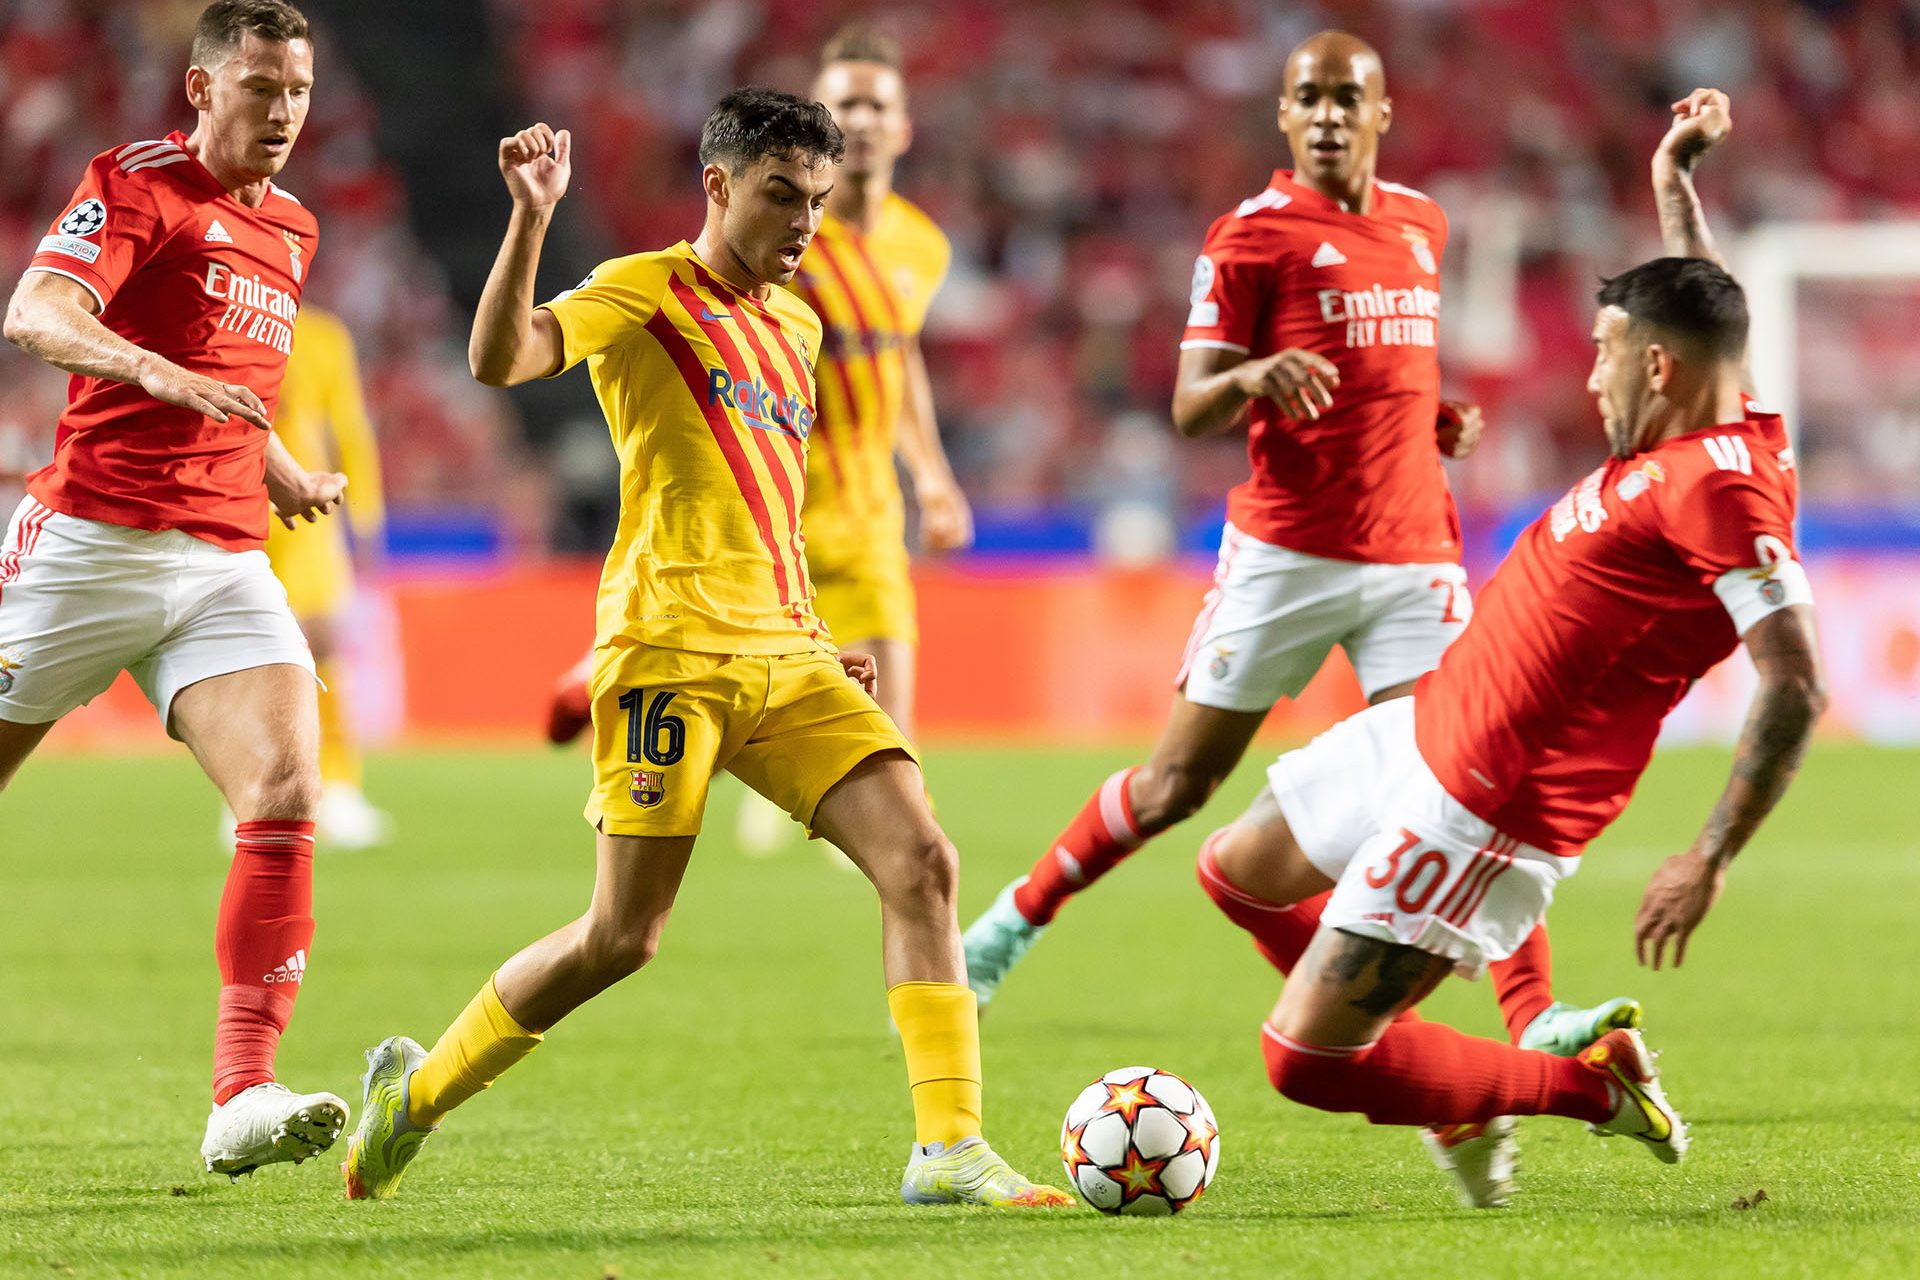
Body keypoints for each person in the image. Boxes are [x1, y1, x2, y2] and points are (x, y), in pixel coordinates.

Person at [341, 90, 1071, 1209]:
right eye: (783, 194)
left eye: (819, 202)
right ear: (720, 185)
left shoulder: (799, 328)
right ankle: (417, 1090)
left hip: (790, 648)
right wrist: (531, 220)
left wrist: (820, 634)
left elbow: (768, 500)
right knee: (622, 937)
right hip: (668, 652)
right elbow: (503, 358)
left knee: (923, 861)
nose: (804, 223)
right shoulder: (645, 289)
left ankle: (949, 1146)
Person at [961, 24, 1632, 1111]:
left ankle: (1531, 1015)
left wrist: (1437, 417)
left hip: (1415, 550)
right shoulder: (1252, 237)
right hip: (1287, 552)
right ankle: (1012, 920)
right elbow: (1187, 406)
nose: (1326, 114)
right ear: (1284, 117)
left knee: (1474, 775)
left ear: (1382, 114)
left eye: (1344, 97)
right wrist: (1256, 375)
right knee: (1180, 782)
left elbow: (1395, 365)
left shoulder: (1423, 222)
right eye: (1307, 97)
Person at [1195, 89, 1824, 1206]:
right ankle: (1460, 1081)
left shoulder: (1720, 485)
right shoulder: (1732, 418)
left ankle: (1583, 1089)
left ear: (1662, 370)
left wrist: (1711, 854)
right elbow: (1705, 307)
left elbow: (1796, 674)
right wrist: (1673, 183)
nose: (1593, 375)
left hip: (1491, 800)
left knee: (1303, 1057)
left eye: (1606, 354)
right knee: (1237, 873)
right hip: (1432, 726)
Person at [0, 0, 351, 1177]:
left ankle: (243, 1090)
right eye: (259, 86)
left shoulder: (294, 229)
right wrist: (150, 364)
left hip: (221, 557)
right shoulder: (137, 184)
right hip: (87, 544)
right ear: (201, 91)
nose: (283, 110)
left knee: (288, 782)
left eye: (297, 89)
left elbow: (241, 379)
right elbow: (36, 310)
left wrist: (289, 470)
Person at [546, 25, 972, 863]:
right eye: (846, 102)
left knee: (897, 745)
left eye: (879, 103)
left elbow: (900, 354)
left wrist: (932, 474)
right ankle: (607, 673)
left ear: (905, 123)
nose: (866, 118)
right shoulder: (787, 244)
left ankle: (885, 869)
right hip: (778, 506)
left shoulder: (921, 245)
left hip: (871, 510)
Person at [263, 305, 392, 849]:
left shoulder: (321, 336)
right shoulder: (225, 315)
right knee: (253, 653)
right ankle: (257, 790)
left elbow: (348, 426)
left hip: (308, 509)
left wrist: (366, 516)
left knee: (322, 644)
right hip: (239, 501)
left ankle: (337, 784)